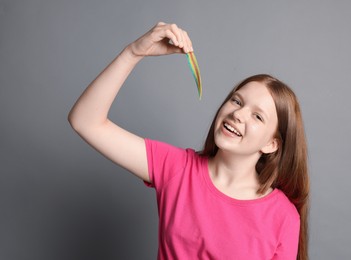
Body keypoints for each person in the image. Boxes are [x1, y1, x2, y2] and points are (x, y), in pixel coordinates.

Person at [68, 22, 309, 260]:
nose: (238, 114)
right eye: (236, 101)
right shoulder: (176, 168)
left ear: (271, 144)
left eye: (257, 116)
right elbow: (85, 121)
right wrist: (133, 52)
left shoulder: (284, 217)